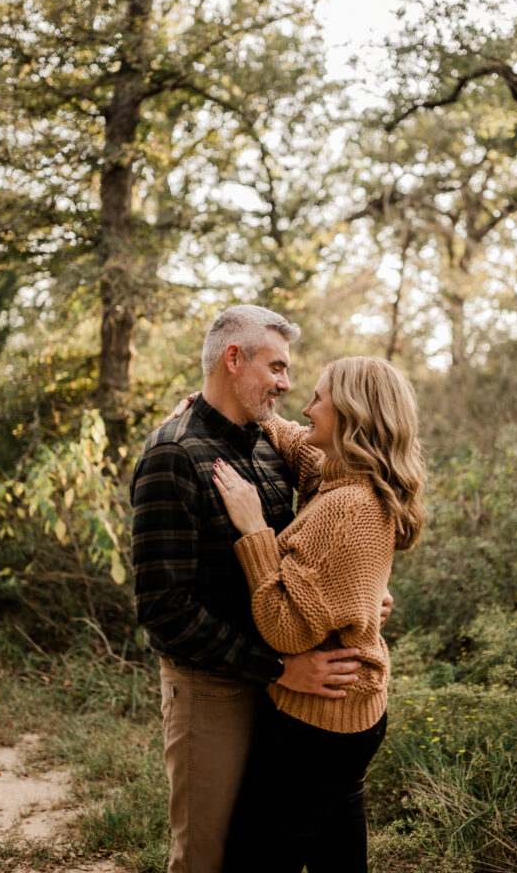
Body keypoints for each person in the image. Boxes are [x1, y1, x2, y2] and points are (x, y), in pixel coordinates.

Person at [130, 305, 378, 873]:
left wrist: (361, 593)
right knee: (208, 856)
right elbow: (164, 610)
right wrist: (277, 666)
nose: (286, 384)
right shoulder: (174, 454)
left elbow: (350, 505)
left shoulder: (269, 445)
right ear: (233, 358)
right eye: (277, 367)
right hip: (212, 690)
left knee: (270, 848)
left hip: (284, 690)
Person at [207, 356, 426, 873]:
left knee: (254, 860)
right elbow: (302, 450)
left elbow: (283, 628)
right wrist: (229, 408)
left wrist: (255, 529)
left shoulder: (344, 507)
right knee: (337, 857)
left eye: (319, 399)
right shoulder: (354, 480)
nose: (304, 408)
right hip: (355, 711)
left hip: (316, 724)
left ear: (351, 414)